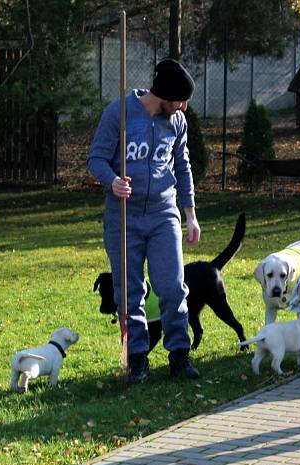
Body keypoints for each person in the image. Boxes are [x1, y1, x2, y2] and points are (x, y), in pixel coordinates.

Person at [87, 58, 201, 384]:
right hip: (123, 217)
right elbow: (95, 158)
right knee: (130, 291)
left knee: (172, 287)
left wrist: (190, 215)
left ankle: (179, 354)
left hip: (164, 214)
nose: (184, 107)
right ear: (164, 94)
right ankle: (137, 359)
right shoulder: (118, 114)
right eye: (181, 100)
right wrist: (112, 181)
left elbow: (183, 168)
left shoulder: (176, 122)